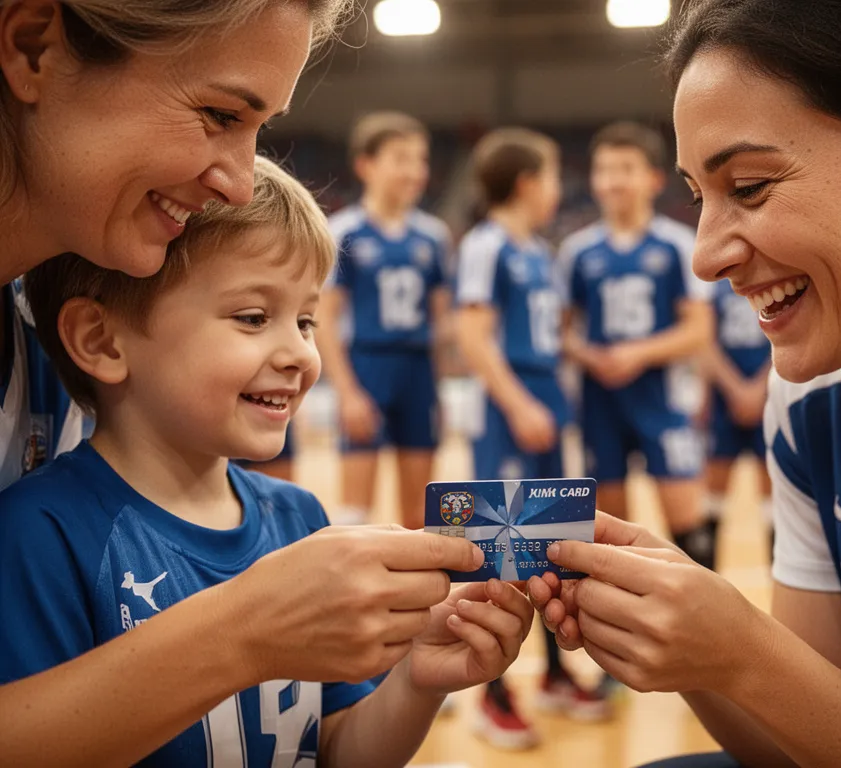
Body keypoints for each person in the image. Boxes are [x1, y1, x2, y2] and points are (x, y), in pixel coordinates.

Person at [529, 0, 841, 766]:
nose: (705, 255)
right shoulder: (811, 395)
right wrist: (687, 646)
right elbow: (808, 744)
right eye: (699, 197)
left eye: (750, 186)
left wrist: (741, 649)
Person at [0, 3, 482, 764]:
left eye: (309, 322)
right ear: (32, 49)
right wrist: (246, 632)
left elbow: (337, 747)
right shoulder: (45, 531)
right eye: (219, 112)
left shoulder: (296, 517)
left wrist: (419, 680)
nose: (234, 180)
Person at [456, 128, 611, 750]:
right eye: (549, 177)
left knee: (551, 542)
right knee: (497, 548)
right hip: (507, 408)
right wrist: (518, 403)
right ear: (526, 183)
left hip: (543, 400)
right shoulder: (486, 245)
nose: (557, 189)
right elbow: (473, 335)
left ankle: (552, 671)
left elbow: (547, 334)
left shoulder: (536, 250)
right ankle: (488, 693)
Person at [559, 121, 716, 569]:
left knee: (690, 527)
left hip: (660, 398)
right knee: (608, 533)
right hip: (599, 403)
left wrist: (637, 353)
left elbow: (699, 331)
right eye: (603, 169)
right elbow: (561, 334)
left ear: (653, 178)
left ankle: (704, 629)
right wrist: (591, 355)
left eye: (625, 168)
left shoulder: (676, 245)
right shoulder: (577, 252)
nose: (612, 180)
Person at [318, 112, 452, 529]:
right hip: (367, 366)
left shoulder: (433, 236)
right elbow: (325, 317)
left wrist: (440, 388)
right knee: (357, 512)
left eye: (420, 160)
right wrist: (346, 391)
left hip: (417, 371)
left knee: (420, 514)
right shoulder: (344, 232)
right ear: (366, 165)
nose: (414, 171)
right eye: (401, 158)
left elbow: (441, 321)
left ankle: (416, 596)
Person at [701, 278, 772, 556]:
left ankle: (780, 588)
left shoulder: (778, 281)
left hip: (771, 395)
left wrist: (759, 388)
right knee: (713, 493)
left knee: (775, 494)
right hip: (723, 400)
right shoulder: (712, 288)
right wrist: (735, 390)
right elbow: (704, 342)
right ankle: (704, 577)